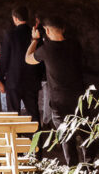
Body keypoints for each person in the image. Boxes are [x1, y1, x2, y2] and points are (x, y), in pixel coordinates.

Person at [25, 16, 86, 161]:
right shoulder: (75, 45)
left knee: (66, 136)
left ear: (46, 30)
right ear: (63, 29)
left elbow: (28, 59)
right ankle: (91, 169)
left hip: (58, 100)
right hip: (79, 96)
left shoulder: (45, 49)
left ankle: (73, 170)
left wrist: (34, 40)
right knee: (84, 132)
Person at [0, 6, 41, 123]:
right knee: (34, 113)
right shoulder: (34, 34)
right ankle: (37, 140)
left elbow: (4, 59)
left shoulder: (10, 35)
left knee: (13, 114)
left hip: (13, 80)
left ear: (15, 18)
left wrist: (1, 79)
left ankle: (15, 139)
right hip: (32, 80)